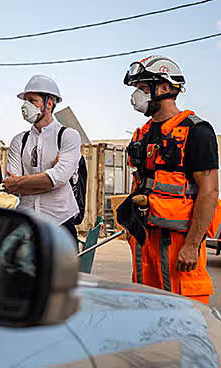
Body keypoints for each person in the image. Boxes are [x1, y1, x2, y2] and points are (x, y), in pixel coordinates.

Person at [120, 55, 219, 304]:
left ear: (165, 87)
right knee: (147, 309)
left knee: (187, 319)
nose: (137, 95)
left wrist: (192, 245)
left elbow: (209, 192)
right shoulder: (141, 135)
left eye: (143, 88)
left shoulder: (197, 131)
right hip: (145, 240)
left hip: (179, 242)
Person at [4, 75, 82, 241]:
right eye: (25, 101)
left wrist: (20, 182)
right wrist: (49, 179)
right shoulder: (19, 141)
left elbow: (58, 178)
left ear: (49, 103)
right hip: (25, 223)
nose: (26, 106)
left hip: (60, 222)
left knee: (60, 268)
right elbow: (11, 186)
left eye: (32, 100)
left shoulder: (68, 136)